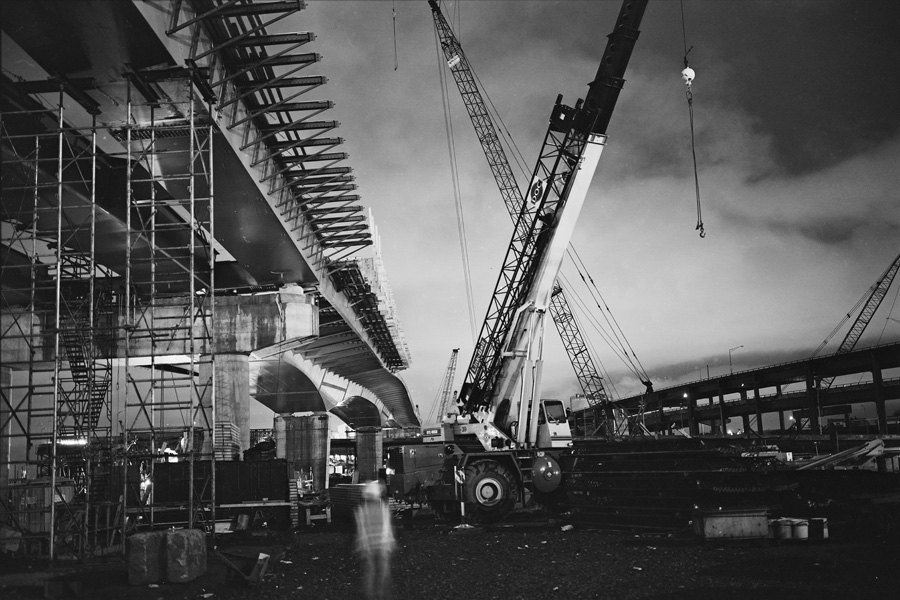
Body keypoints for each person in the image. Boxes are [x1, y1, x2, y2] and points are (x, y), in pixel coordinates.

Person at [354, 480, 395, 600]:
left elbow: (361, 530)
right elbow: (387, 528)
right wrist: (390, 543)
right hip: (382, 546)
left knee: (370, 573)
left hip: (369, 547)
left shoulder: (362, 510)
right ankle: (381, 595)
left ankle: (370, 596)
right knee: (383, 573)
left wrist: (363, 546)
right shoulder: (383, 509)